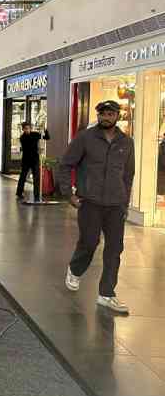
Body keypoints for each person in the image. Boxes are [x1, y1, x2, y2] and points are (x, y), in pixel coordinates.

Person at [58, 100, 135, 314]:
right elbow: (66, 164)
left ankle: (106, 294)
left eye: (110, 114)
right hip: (90, 202)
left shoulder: (126, 142)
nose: (106, 117)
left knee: (114, 249)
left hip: (115, 205)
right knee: (89, 243)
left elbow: (128, 175)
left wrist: (125, 201)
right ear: (98, 115)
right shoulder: (85, 137)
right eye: (103, 114)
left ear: (117, 116)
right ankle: (75, 269)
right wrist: (68, 194)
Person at [16, 122, 50, 202]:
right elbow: (28, 145)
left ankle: (37, 195)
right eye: (26, 128)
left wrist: (44, 130)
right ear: (23, 129)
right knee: (23, 176)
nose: (27, 130)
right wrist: (38, 140)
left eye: (29, 128)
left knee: (36, 178)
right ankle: (19, 192)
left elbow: (47, 137)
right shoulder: (22, 138)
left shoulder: (35, 134)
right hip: (26, 160)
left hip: (35, 160)